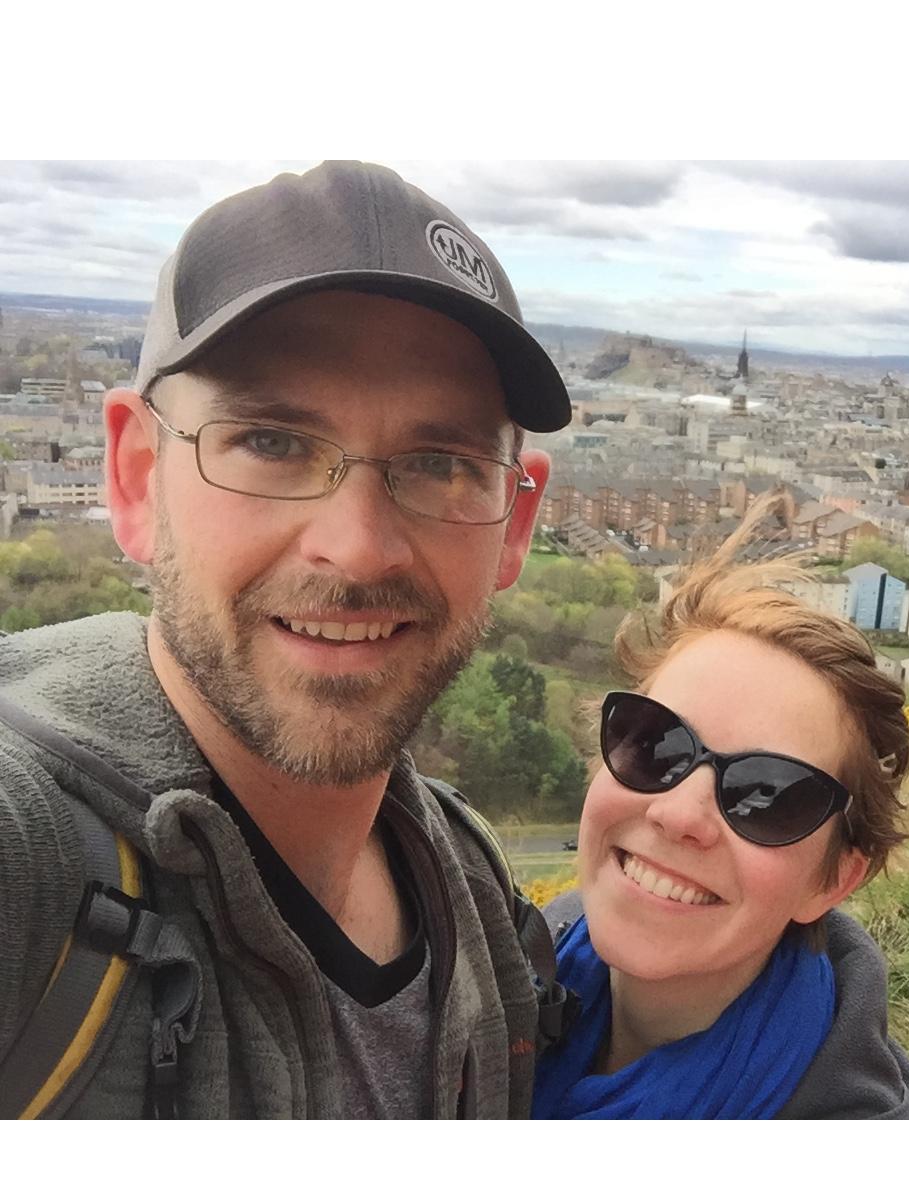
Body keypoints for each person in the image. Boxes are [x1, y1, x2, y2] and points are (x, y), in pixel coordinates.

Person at [0, 160, 572, 1118]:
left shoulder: (473, 893)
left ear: (514, 524)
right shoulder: (32, 861)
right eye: (269, 443)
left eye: (440, 463)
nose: (355, 550)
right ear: (137, 479)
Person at [533, 501, 909, 1119]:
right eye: (655, 744)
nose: (679, 814)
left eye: (766, 794)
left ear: (833, 880)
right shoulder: (508, 965)